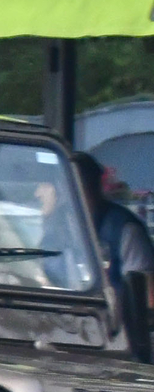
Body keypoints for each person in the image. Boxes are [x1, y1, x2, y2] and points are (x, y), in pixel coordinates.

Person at [77, 150, 154, 361]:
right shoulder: (59, 228)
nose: (38, 193)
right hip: (66, 337)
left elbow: (147, 297)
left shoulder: (124, 230)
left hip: (115, 348)